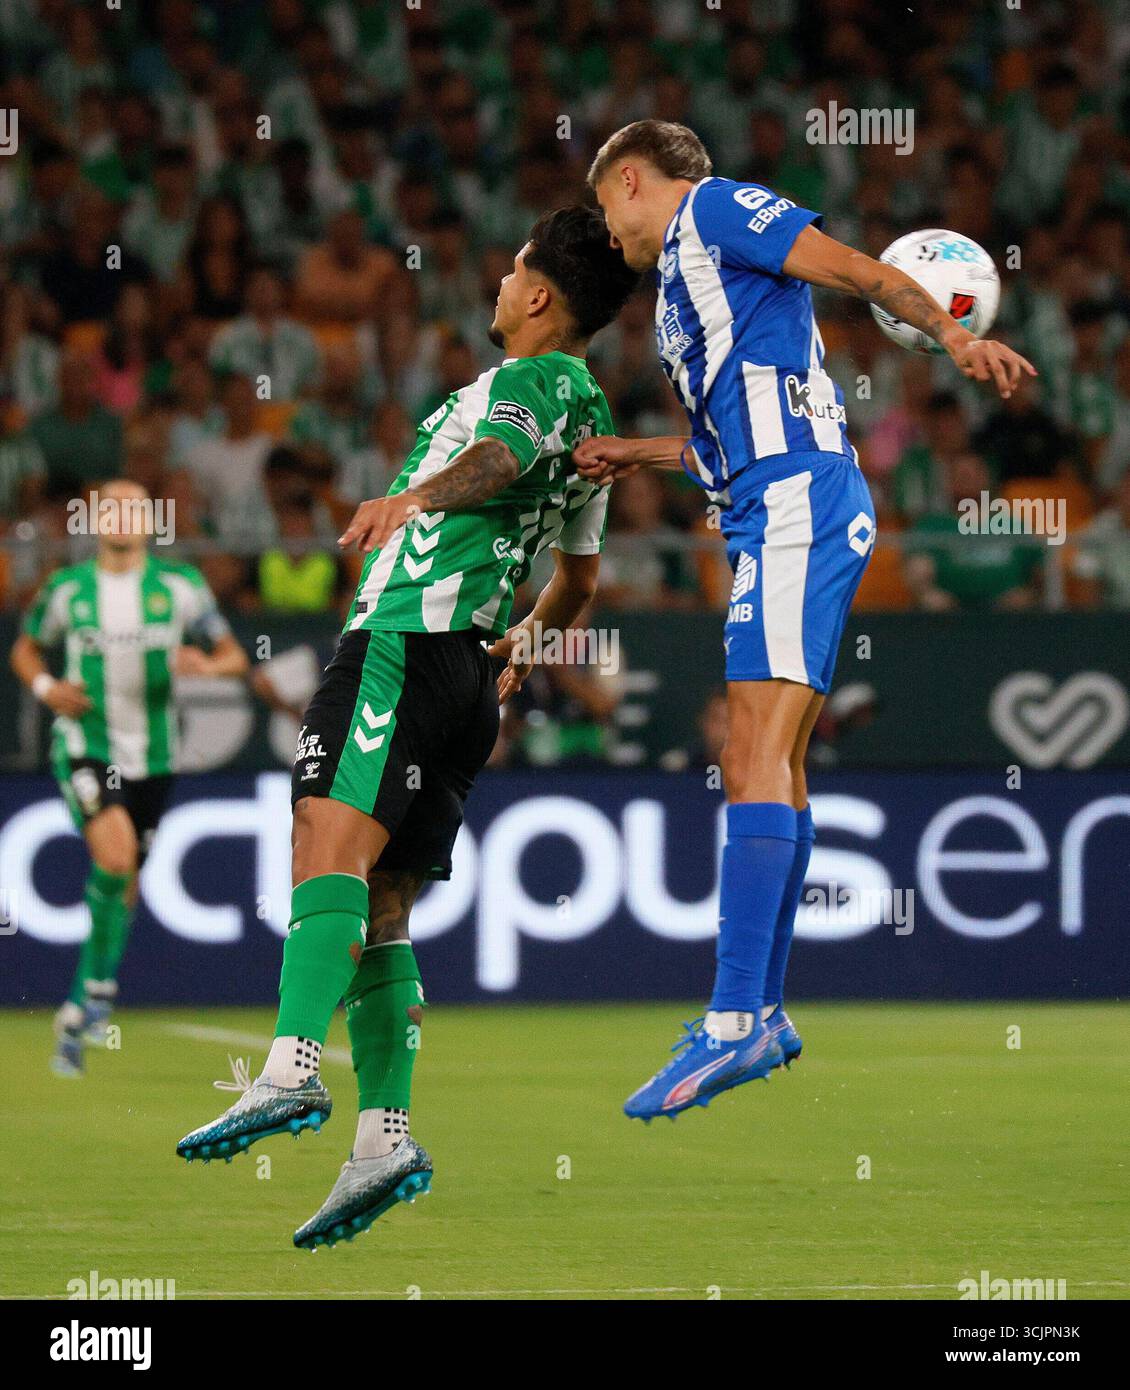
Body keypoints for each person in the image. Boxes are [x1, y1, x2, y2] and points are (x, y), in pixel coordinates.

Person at [175, 207, 638, 1248]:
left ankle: (290, 1071)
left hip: (402, 640)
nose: (496, 284)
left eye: (510, 268)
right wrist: (521, 646)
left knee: (320, 839)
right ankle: (384, 1139)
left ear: (534, 296)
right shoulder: (587, 408)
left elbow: (501, 467)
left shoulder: (529, 386)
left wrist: (409, 499)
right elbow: (578, 580)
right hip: (463, 669)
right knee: (382, 904)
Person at [577, 120, 1036, 1121]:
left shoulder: (714, 207)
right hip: (770, 503)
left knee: (751, 749)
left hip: (795, 504)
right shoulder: (689, 299)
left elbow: (857, 273)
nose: (605, 234)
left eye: (604, 209)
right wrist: (634, 452)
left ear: (628, 180)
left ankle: (735, 1021)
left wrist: (952, 334)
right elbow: (721, 444)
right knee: (770, 760)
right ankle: (760, 1014)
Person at [10, 478, 248, 1076]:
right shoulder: (68, 590)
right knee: (115, 860)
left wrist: (206, 666)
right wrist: (47, 688)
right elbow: (25, 649)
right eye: (109, 509)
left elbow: (234, 656)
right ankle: (95, 991)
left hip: (156, 760)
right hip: (87, 744)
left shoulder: (180, 588)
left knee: (127, 882)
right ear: (92, 520)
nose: (120, 518)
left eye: (133, 508)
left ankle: (84, 1002)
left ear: (151, 520)